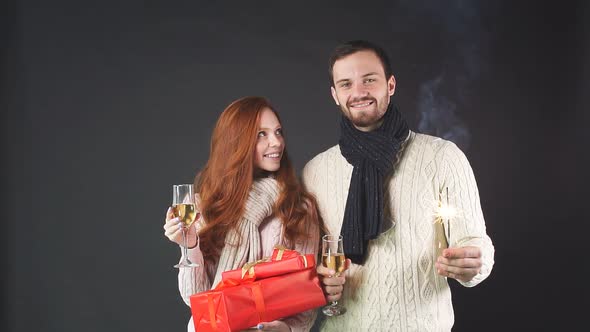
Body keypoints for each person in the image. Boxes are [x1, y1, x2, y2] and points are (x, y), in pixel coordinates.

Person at [303, 40, 495, 331]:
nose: (358, 92)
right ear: (334, 95)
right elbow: (308, 261)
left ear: (390, 85)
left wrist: (474, 263)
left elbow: (475, 243)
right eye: (346, 84)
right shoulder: (316, 171)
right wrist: (318, 278)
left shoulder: (442, 157)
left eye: (369, 80)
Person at [163, 96, 322, 332]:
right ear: (236, 142)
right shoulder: (203, 204)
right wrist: (190, 245)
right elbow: (195, 299)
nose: (276, 142)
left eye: (278, 132)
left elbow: (306, 296)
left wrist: (287, 330)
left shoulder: (297, 207)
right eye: (262, 134)